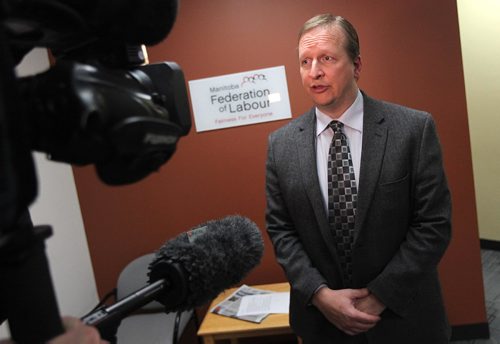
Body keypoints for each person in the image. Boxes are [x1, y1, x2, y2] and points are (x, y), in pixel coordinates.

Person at [265, 13, 452, 344]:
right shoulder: (281, 145)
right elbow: (282, 230)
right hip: (323, 325)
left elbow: (433, 224)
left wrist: (378, 297)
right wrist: (320, 294)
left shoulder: (412, 129)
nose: (314, 72)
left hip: (404, 320)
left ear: (357, 65)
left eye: (326, 58)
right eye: (304, 61)